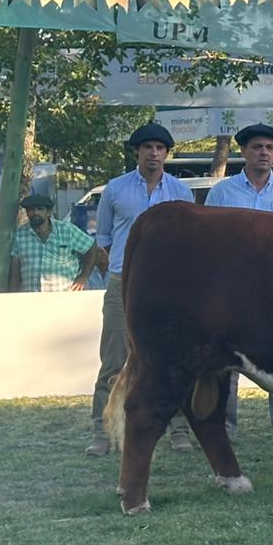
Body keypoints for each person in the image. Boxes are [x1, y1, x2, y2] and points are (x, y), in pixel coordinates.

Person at [88, 122, 195, 457]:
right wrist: (117, 277)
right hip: (124, 282)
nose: (153, 153)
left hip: (171, 284)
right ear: (137, 151)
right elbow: (102, 239)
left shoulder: (180, 192)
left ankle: (179, 429)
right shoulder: (115, 190)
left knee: (174, 358)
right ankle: (102, 432)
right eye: (147, 147)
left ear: (166, 154)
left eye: (160, 148)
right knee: (114, 360)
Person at [205, 122, 273, 448]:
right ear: (243, 152)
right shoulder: (222, 193)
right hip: (233, 288)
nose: (263, 153)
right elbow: (207, 243)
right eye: (256, 147)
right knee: (226, 359)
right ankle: (224, 425)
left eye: (268, 148)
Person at [9, 193, 98, 293]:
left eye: (40, 209)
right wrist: (13, 295)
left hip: (64, 295)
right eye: (31, 209)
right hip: (31, 298)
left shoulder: (66, 230)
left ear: (48, 212)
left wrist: (83, 277)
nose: (35, 212)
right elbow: (15, 270)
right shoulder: (20, 235)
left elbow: (92, 247)